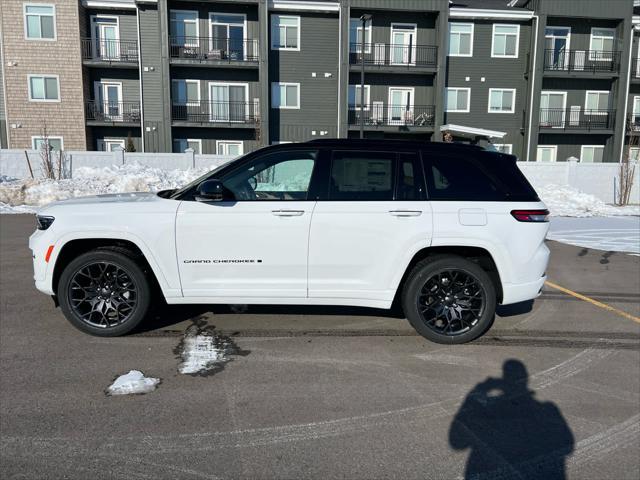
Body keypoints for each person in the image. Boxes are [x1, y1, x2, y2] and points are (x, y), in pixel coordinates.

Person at [449, 359, 574, 480]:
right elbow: (567, 445)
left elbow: (457, 443)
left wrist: (478, 390)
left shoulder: (547, 408)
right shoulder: (548, 409)